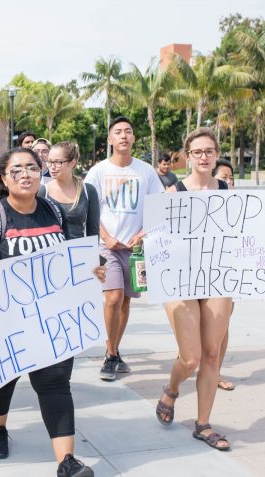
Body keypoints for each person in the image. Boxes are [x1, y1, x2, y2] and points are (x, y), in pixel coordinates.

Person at [0, 147, 101, 477]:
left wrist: (89, 272)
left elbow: (69, 258)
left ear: (41, 172)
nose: (25, 174)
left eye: (31, 167)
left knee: (55, 383)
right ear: (4, 178)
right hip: (6, 318)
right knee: (4, 379)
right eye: (17, 170)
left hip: (51, 317)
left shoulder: (53, 210)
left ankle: (67, 462)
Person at [155, 128, 265, 451]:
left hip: (218, 278)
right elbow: (158, 240)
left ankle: (203, 424)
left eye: (209, 151)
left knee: (212, 354)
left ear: (216, 155)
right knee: (190, 358)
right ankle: (171, 390)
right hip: (182, 281)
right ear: (187, 157)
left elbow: (251, 235)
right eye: (197, 152)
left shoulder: (228, 192)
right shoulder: (172, 192)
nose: (204, 157)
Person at [84, 116, 164, 381]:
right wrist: (105, 237)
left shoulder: (146, 171)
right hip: (107, 246)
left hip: (135, 248)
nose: (123, 136)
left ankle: (116, 350)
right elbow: (88, 209)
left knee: (126, 300)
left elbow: (158, 207)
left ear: (133, 138)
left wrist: (142, 234)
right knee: (114, 297)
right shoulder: (98, 171)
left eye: (128, 131)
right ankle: (109, 354)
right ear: (110, 139)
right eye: (117, 132)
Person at [39, 141, 99, 239]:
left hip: (80, 251)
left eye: (58, 162)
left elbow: (93, 232)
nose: (52, 167)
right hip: (52, 252)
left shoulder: (88, 191)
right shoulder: (43, 191)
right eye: (50, 162)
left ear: (72, 163)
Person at [212, 159, 236, 391]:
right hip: (195, 276)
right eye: (223, 177)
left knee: (223, 323)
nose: (228, 181)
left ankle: (215, 372)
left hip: (225, 273)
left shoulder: (240, 205)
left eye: (231, 177)